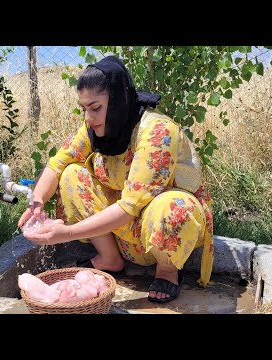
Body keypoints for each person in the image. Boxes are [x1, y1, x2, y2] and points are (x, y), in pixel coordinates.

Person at [18, 55, 214, 303]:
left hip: (160, 232)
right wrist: (35, 203)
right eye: (84, 109)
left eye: (96, 108)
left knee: (173, 207)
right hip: (122, 231)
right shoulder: (95, 128)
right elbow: (58, 163)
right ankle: (111, 258)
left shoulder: (158, 132)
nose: (89, 118)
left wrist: (65, 233)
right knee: (71, 175)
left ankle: (167, 272)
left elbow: (131, 207)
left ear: (119, 101)